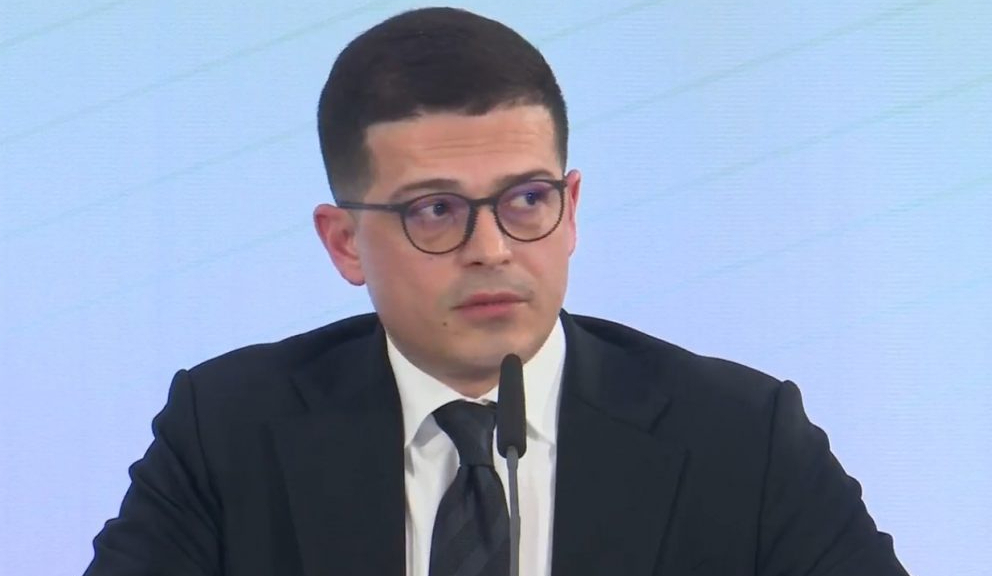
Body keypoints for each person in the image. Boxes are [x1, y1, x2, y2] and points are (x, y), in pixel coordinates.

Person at [84, 7, 909, 576]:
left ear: (571, 209)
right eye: (435, 211)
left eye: (526, 200)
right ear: (344, 243)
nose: (491, 249)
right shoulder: (227, 432)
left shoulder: (743, 439)